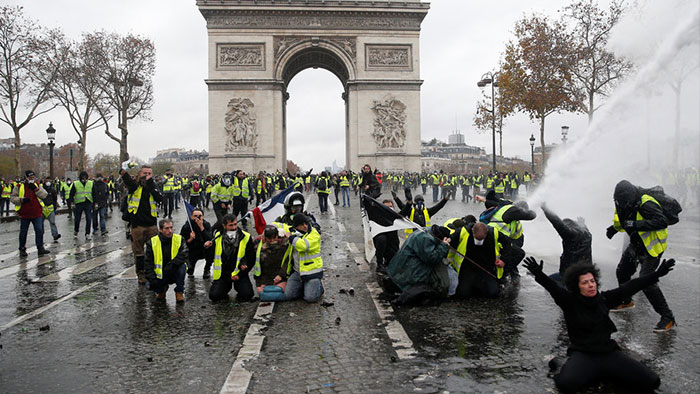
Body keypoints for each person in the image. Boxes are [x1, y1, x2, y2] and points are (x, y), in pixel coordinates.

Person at [523, 257, 674, 393]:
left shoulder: (605, 298)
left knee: (652, 381)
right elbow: (553, 288)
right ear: (577, 286)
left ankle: (606, 373)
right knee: (566, 385)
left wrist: (657, 274)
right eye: (585, 282)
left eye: (592, 281)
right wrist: (539, 274)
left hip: (609, 353)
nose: (591, 285)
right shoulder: (568, 301)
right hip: (584, 354)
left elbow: (631, 286)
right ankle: (562, 363)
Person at [607, 180, 676, 332]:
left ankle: (667, 317)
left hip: (652, 247)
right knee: (622, 271)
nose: (620, 203)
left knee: (646, 280)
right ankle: (626, 301)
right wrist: (613, 229)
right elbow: (623, 220)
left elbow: (661, 221)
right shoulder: (623, 202)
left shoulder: (646, 203)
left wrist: (635, 225)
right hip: (636, 244)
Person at [386, 225, 451, 305]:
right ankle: (405, 289)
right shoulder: (425, 239)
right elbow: (432, 259)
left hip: (399, 269)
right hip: (405, 273)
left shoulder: (425, 232)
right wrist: (444, 245)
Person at [120, 162, 163, 285]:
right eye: (145, 173)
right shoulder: (135, 186)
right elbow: (127, 179)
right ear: (139, 174)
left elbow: (160, 199)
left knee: (153, 251)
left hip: (151, 225)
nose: (147, 176)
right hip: (137, 225)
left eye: (149, 174)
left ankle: (152, 272)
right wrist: (124, 170)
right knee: (139, 253)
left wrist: (150, 185)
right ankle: (141, 274)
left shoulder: (153, 186)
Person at [207, 214, 255, 302]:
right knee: (215, 296)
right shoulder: (217, 237)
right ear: (224, 226)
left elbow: (251, 258)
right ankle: (226, 287)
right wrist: (208, 247)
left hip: (239, 273)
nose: (234, 227)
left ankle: (238, 286)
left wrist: (240, 274)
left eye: (235, 224)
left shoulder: (246, 236)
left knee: (247, 295)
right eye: (231, 225)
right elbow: (210, 257)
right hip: (223, 274)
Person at [451, 222, 505, 299]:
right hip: (467, 268)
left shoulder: (494, 233)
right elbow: (450, 244)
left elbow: (508, 246)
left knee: (492, 293)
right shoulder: (463, 232)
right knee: (462, 294)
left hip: (486, 268)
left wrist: (503, 260)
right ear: (472, 231)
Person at [541, 203, 591, 283]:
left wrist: (545, 209)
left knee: (548, 282)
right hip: (586, 271)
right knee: (550, 279)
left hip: (570, 273)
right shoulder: (587, 234)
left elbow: (556, 222)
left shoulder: (571, 235)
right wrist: (582, 223)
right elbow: (583, 228)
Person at [281, 213, 324, 303]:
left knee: (310, 298)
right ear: (296, 227)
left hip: (312, 272)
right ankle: (306, 287)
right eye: (301, 225)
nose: (305, 226)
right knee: (288, 295)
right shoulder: (295, 232)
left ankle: (319, 287)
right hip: (298, 272)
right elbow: (281, 225)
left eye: (306, 223)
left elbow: (303, 246)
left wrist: (291, 238)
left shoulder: (314, 234)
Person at [144, 219, 188, 303]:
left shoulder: (179, 239)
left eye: (171, 228)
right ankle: (161, 290)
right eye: (167, 228)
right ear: (160, 230)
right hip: (160, 274)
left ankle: (179, 292)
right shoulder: (152, 242)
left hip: (173, 270)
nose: (170, 231)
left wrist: (171, 265)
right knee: (150, 285)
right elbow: (147, 263)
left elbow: (184, 254)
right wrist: (152, 279)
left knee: (182, 267)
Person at [11, 170, 50, 257]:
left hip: (36, 212)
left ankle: (40, 248)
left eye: (33, 178)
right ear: (26, 178)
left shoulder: (37, 185)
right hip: (25, 213)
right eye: (30, 178)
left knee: (39, 230)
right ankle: (22, 248)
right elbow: (12, 198)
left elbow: (44, 195)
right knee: (23, 232)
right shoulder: (19, 186)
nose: (32, 179)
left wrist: (35, 189)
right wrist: (21, 200)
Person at [253, 225, 289, 293]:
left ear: (277, 235)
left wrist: (281, 275)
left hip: (280, 275)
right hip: (266, 276)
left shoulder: (285, 244)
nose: (272, 241)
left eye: (274, 238)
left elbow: (288, 262)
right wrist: (261, 283)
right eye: (269, 238)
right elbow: (259, 268)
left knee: (281, 291)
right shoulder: (258, 247)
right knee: (262, 292)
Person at [180, 208, 214, 278]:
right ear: (191, 217)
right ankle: (190, 269)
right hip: (192, 250)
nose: (197, 218)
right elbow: (181, 243)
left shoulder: (206, 224)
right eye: (195, 216)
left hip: (204, 248)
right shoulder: (187, 226)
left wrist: (202, 228)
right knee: (190, 271)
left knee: (212, 247)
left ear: (203, 217)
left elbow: (210, 239)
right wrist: (190, 239)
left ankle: (207, 269)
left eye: (200, 216)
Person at [373, 199, 400, 274]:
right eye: (387, 207)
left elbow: (405, 212)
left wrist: (409, 202)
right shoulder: (378, 217)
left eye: (391, 207)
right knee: (381, 239)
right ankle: (379, 264)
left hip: (393, 246)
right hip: (382, 244)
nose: (389, 208)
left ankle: (389, 260)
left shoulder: (395, 216)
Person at [70, 171, 94, 239]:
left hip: (88, 202)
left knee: (89, 218)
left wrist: (95, 203)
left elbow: (94, 193)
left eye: (86, 178)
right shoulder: (76, 183)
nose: (84, 179)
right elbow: (71, 194)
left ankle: (87, 233)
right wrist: (72, 203)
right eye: (83, 178)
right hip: (79, 203)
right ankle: (76, 230)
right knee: (77, 219)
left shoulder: (91, 183)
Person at [41, 177, 62, 242]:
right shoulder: (41, 189)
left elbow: (55, 199)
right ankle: (40, 235)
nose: (48, 182)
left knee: (52, 222)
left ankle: (55, 235)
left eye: (49, 181)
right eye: (47, 181)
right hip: (42, 209)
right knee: (40, 223)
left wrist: (55, 207)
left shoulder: (53, 190)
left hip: (50, 209)